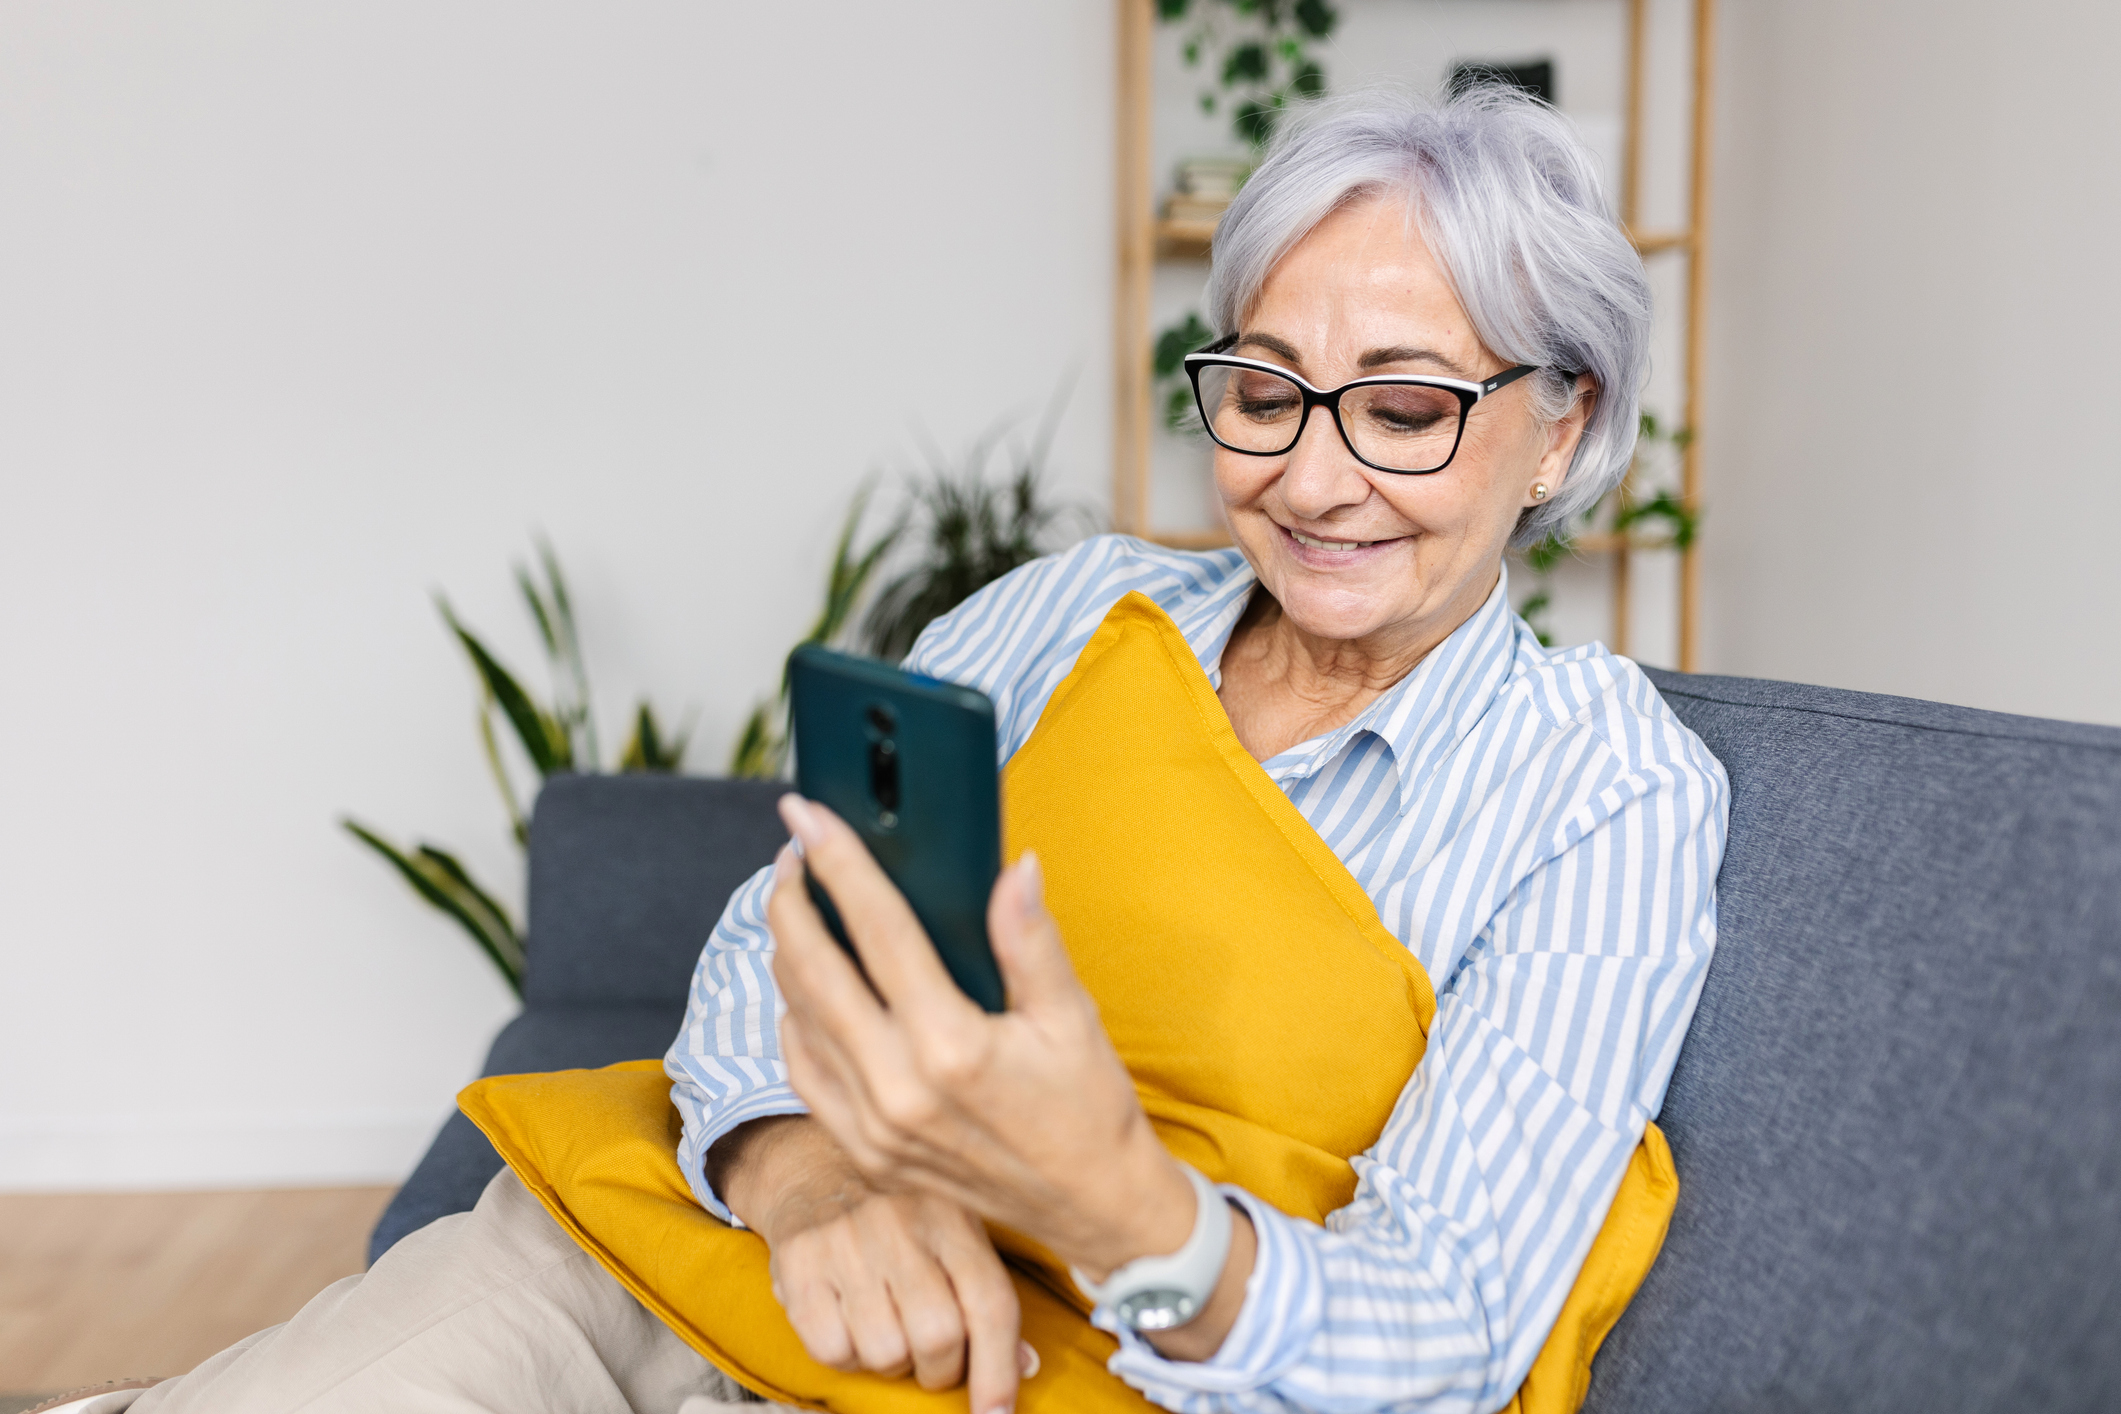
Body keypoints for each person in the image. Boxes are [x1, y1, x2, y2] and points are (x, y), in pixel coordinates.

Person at [78, 84, 1724, 1414]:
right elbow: (771, 938)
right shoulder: (1072, 608)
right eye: (1262, 389)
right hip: (715, 1266)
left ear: (1561, 421)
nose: (1309, 476)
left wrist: (1110, 1201)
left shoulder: (1602, 786)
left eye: (1405, 406)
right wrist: (802, 1176)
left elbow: (1447, 1327)